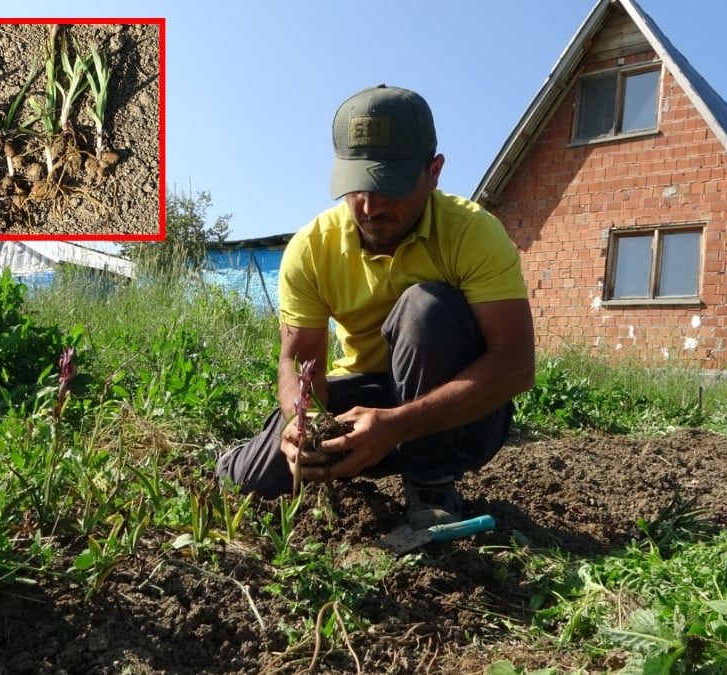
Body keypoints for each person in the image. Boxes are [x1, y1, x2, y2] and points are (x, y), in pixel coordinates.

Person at [216, 84, 535, 528]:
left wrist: (397, 425)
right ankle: (241, 460)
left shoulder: (472, 233)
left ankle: (430, 486)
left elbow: (516, 364)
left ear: (434, 171)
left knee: (426, 308)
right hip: (364, 400)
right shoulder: (311, 248)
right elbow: (297, 360)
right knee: (250, 480)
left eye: (390, 186)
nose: (370, 206)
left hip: (458, 418)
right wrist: (301, 419)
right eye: (357, 187)